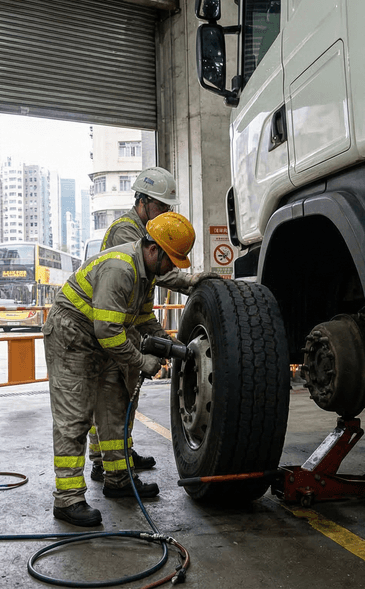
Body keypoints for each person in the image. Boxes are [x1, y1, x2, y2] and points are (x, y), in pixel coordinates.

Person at [46, 212, 197, 527]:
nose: (171, 268)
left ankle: (118, 478)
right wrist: (143, 362)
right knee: (75, 416)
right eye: (171, 260)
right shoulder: (121, 268)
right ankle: (68, 499)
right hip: (72, 335)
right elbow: (109, 334)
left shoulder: (146, 275)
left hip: (98, 336)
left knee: (115, 407)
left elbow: (141, 318)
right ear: (153, 249)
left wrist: (165, 342)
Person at [87, 166, 221, 484]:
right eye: (160, 206)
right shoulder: (126, 231)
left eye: (167, 208)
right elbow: (158, 269)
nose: (163, 212)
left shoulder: (146, 227)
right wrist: (190, 280)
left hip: (130, 320)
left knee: (128, 390)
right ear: (143, 201)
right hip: (114, 322)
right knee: (112, 395)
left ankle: (120, 452)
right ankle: (102, 459)